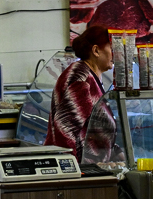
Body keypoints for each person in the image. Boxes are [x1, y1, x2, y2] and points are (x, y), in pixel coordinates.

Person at [45, 26, 115, 160]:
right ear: (96, 50)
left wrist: (116, 153)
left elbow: (94, 126)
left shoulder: (91, 76)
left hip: (90, 164)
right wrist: (72, 167)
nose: (116, 54)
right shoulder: (81, 78)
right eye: (112, 48)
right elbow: (65, 129)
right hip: (79, 165)